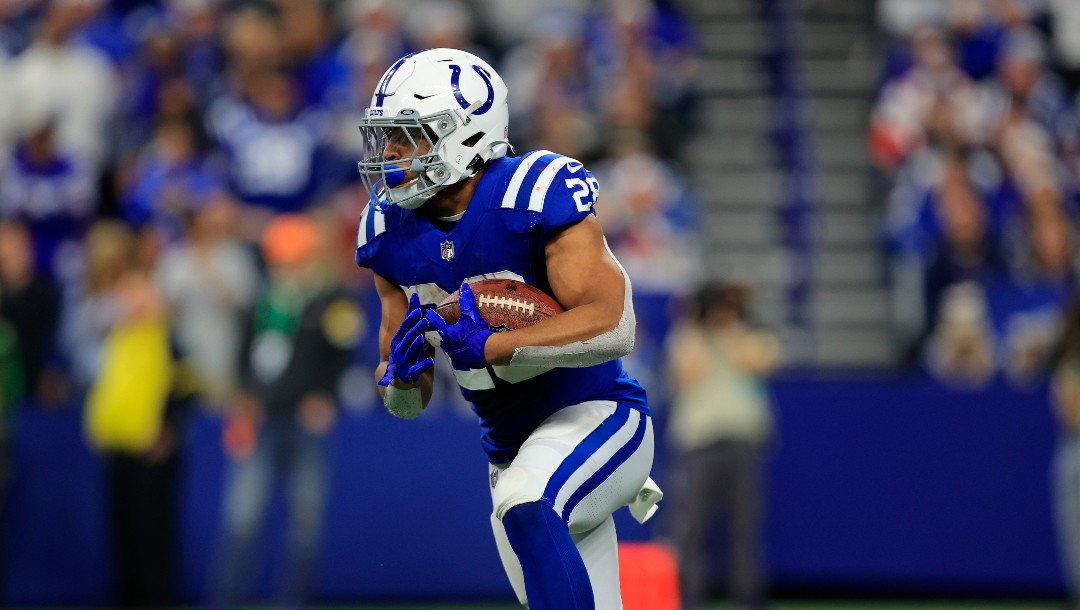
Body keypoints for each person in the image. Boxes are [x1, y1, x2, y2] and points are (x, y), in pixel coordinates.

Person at [353, 48, 662, 610]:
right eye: (385, 137)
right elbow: (406, 404)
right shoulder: (385, 231)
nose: (390, 154)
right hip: (508, 456)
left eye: (408, 134)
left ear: (465, 136)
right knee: (527, 508)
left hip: (600, 417)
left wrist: (497, 346)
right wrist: (398, 379)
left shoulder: (533, 191)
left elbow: (616, 325)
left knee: (529, 503)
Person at [210, 213, 357, 609]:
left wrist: (325, 396)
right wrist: (242, 397)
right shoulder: (260, 303)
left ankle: (293, 601)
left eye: (294, 259)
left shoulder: (330, 302)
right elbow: (243, 356)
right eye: (281, 260)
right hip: (261, 418)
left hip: (304, 423)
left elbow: (342, 356)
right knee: (242, 517)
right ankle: (226, 599)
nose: (288, 268)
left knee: (305, 521)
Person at [665, 284, 779, 610]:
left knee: (746, 526)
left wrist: (732, 327)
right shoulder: (687, 338)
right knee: (692, 528)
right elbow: (688, 372)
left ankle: (747, 598)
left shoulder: (748, 336)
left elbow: (758, 363)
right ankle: (691, 599)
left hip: (742, 442)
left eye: (727, 306)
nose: (720, 313)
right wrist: (694, 324)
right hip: (699, 444)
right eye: (715, 306)